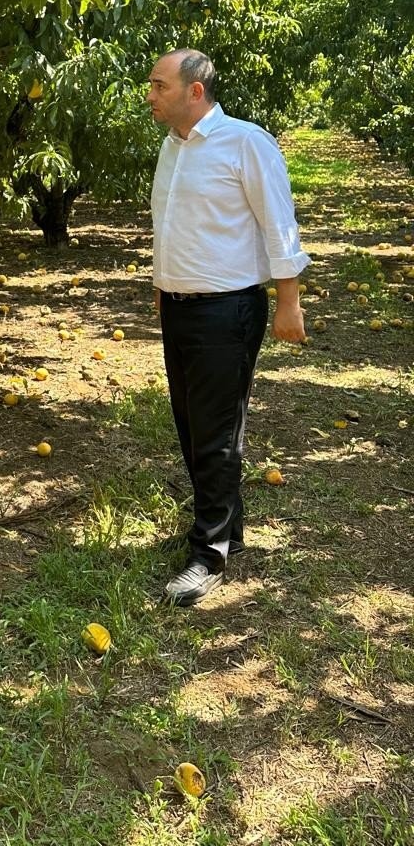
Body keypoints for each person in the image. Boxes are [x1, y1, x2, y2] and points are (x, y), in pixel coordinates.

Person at [147, 48, 308, 607]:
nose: (151, 94)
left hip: (227, 309)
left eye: (160, 85)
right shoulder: (171, 148)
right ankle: (226, 526)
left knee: (215, 432)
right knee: (192, 425)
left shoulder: (245, 141)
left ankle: (208, 552)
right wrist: (161, 289)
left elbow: (278, 221)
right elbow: (171, 226)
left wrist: (288, 299)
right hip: (180, 304)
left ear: (195, 91)